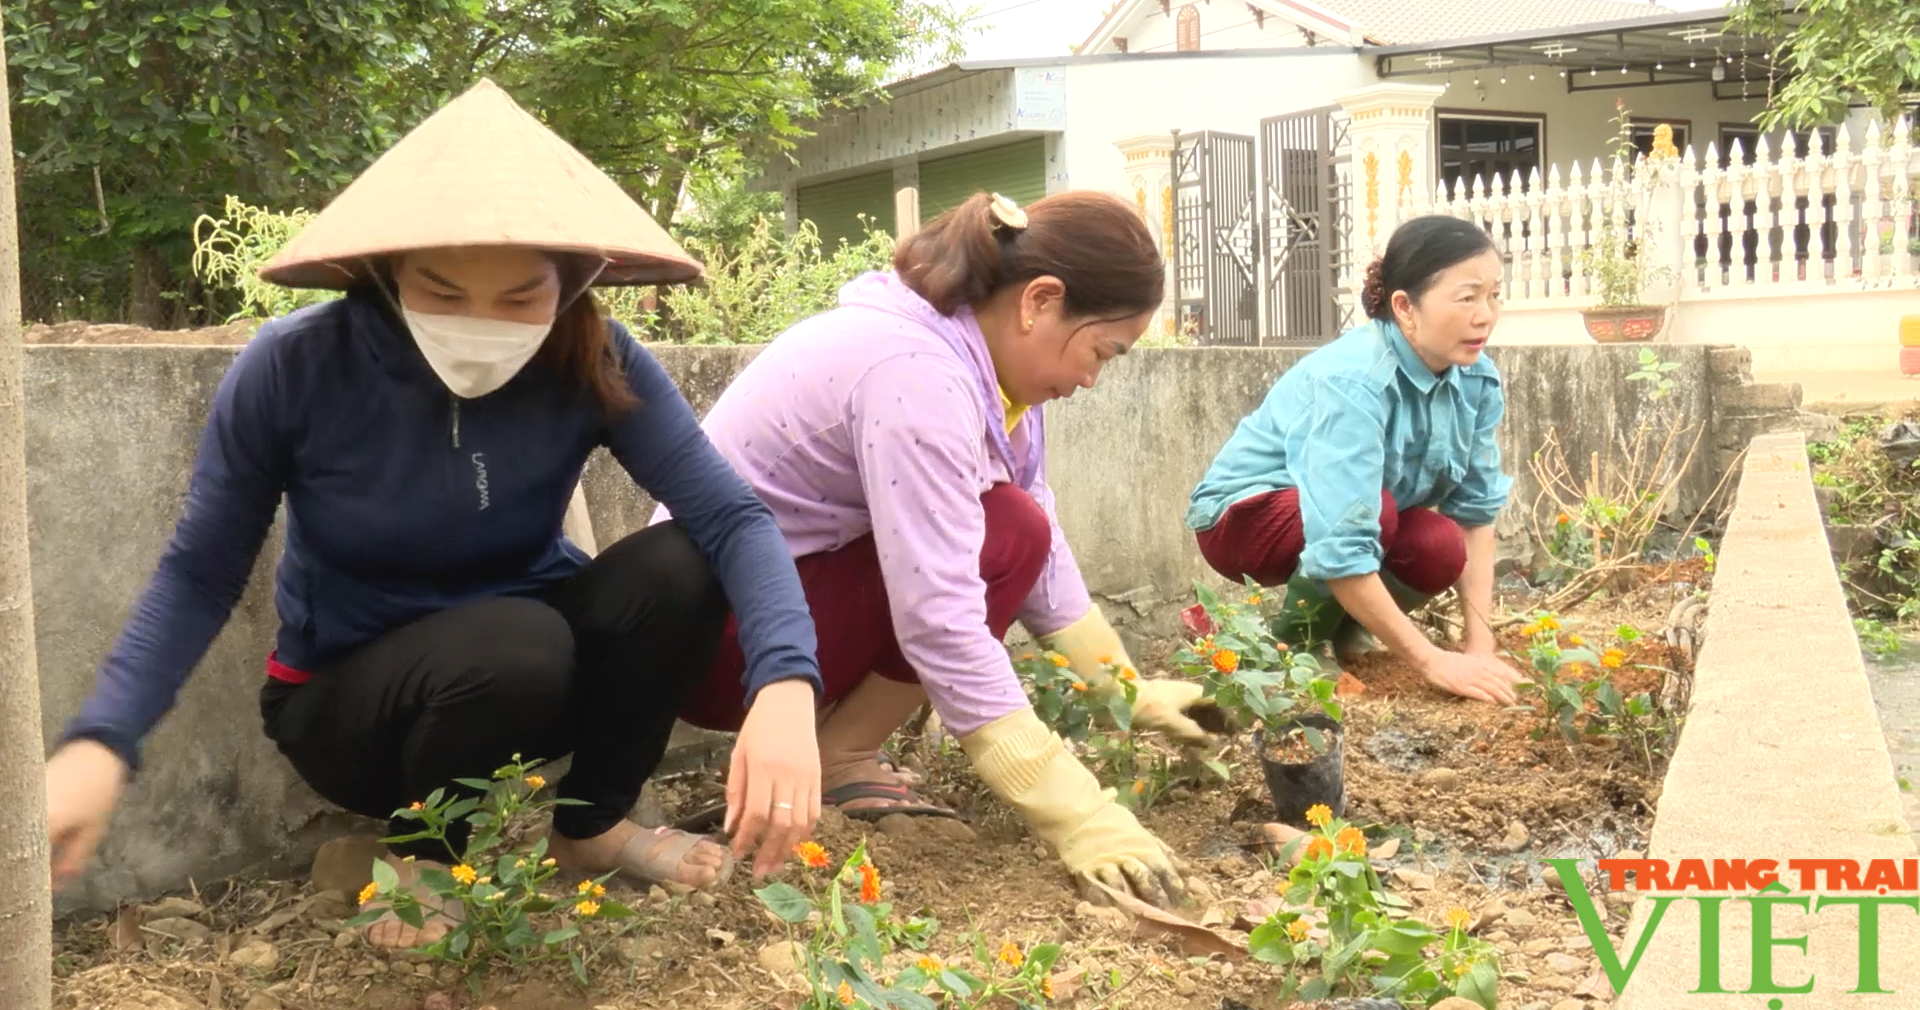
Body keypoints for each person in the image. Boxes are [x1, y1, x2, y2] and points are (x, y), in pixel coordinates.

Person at [41, 79, 826, 948]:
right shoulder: (295, 369)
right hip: (353, 707)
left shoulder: (592, 355)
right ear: (386, 274)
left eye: (521, 298)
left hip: (533, 674)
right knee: (515, 647)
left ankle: (591, 827)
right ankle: (421, 853)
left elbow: (733, 520)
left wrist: (785, 685)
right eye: (444, 295)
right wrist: (102, 741)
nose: (481, 323)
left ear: (571, 286)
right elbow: (200, 572)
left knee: (679, 564)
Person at [658, 191, 1211, 909]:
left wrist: (1125, 689)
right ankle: (837, 756)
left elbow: (1033, 540)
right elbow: (941, 618)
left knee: (1013, 528)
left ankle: (838, 754)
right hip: (727, 645)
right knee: (1000, 534)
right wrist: (1076, 811)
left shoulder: (985, 374)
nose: (1090, 380)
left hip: (781, 614)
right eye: (1101, 351)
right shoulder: (914, 373)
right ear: (1039, 301)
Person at [1185, 215, 1526, 706]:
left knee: (1439, 546)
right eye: (1467, 296)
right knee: (1372, 512)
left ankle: (1343, 632)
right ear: (1405, 307)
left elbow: (1476, 515)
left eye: (1494, 295)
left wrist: (1480, 648)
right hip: (1245, 521)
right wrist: (1431, 660)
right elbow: (1343, 537)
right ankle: (1291, 646)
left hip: (1351, 518)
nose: (1486, 315)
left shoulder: (1475, 379)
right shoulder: (1353, 382)